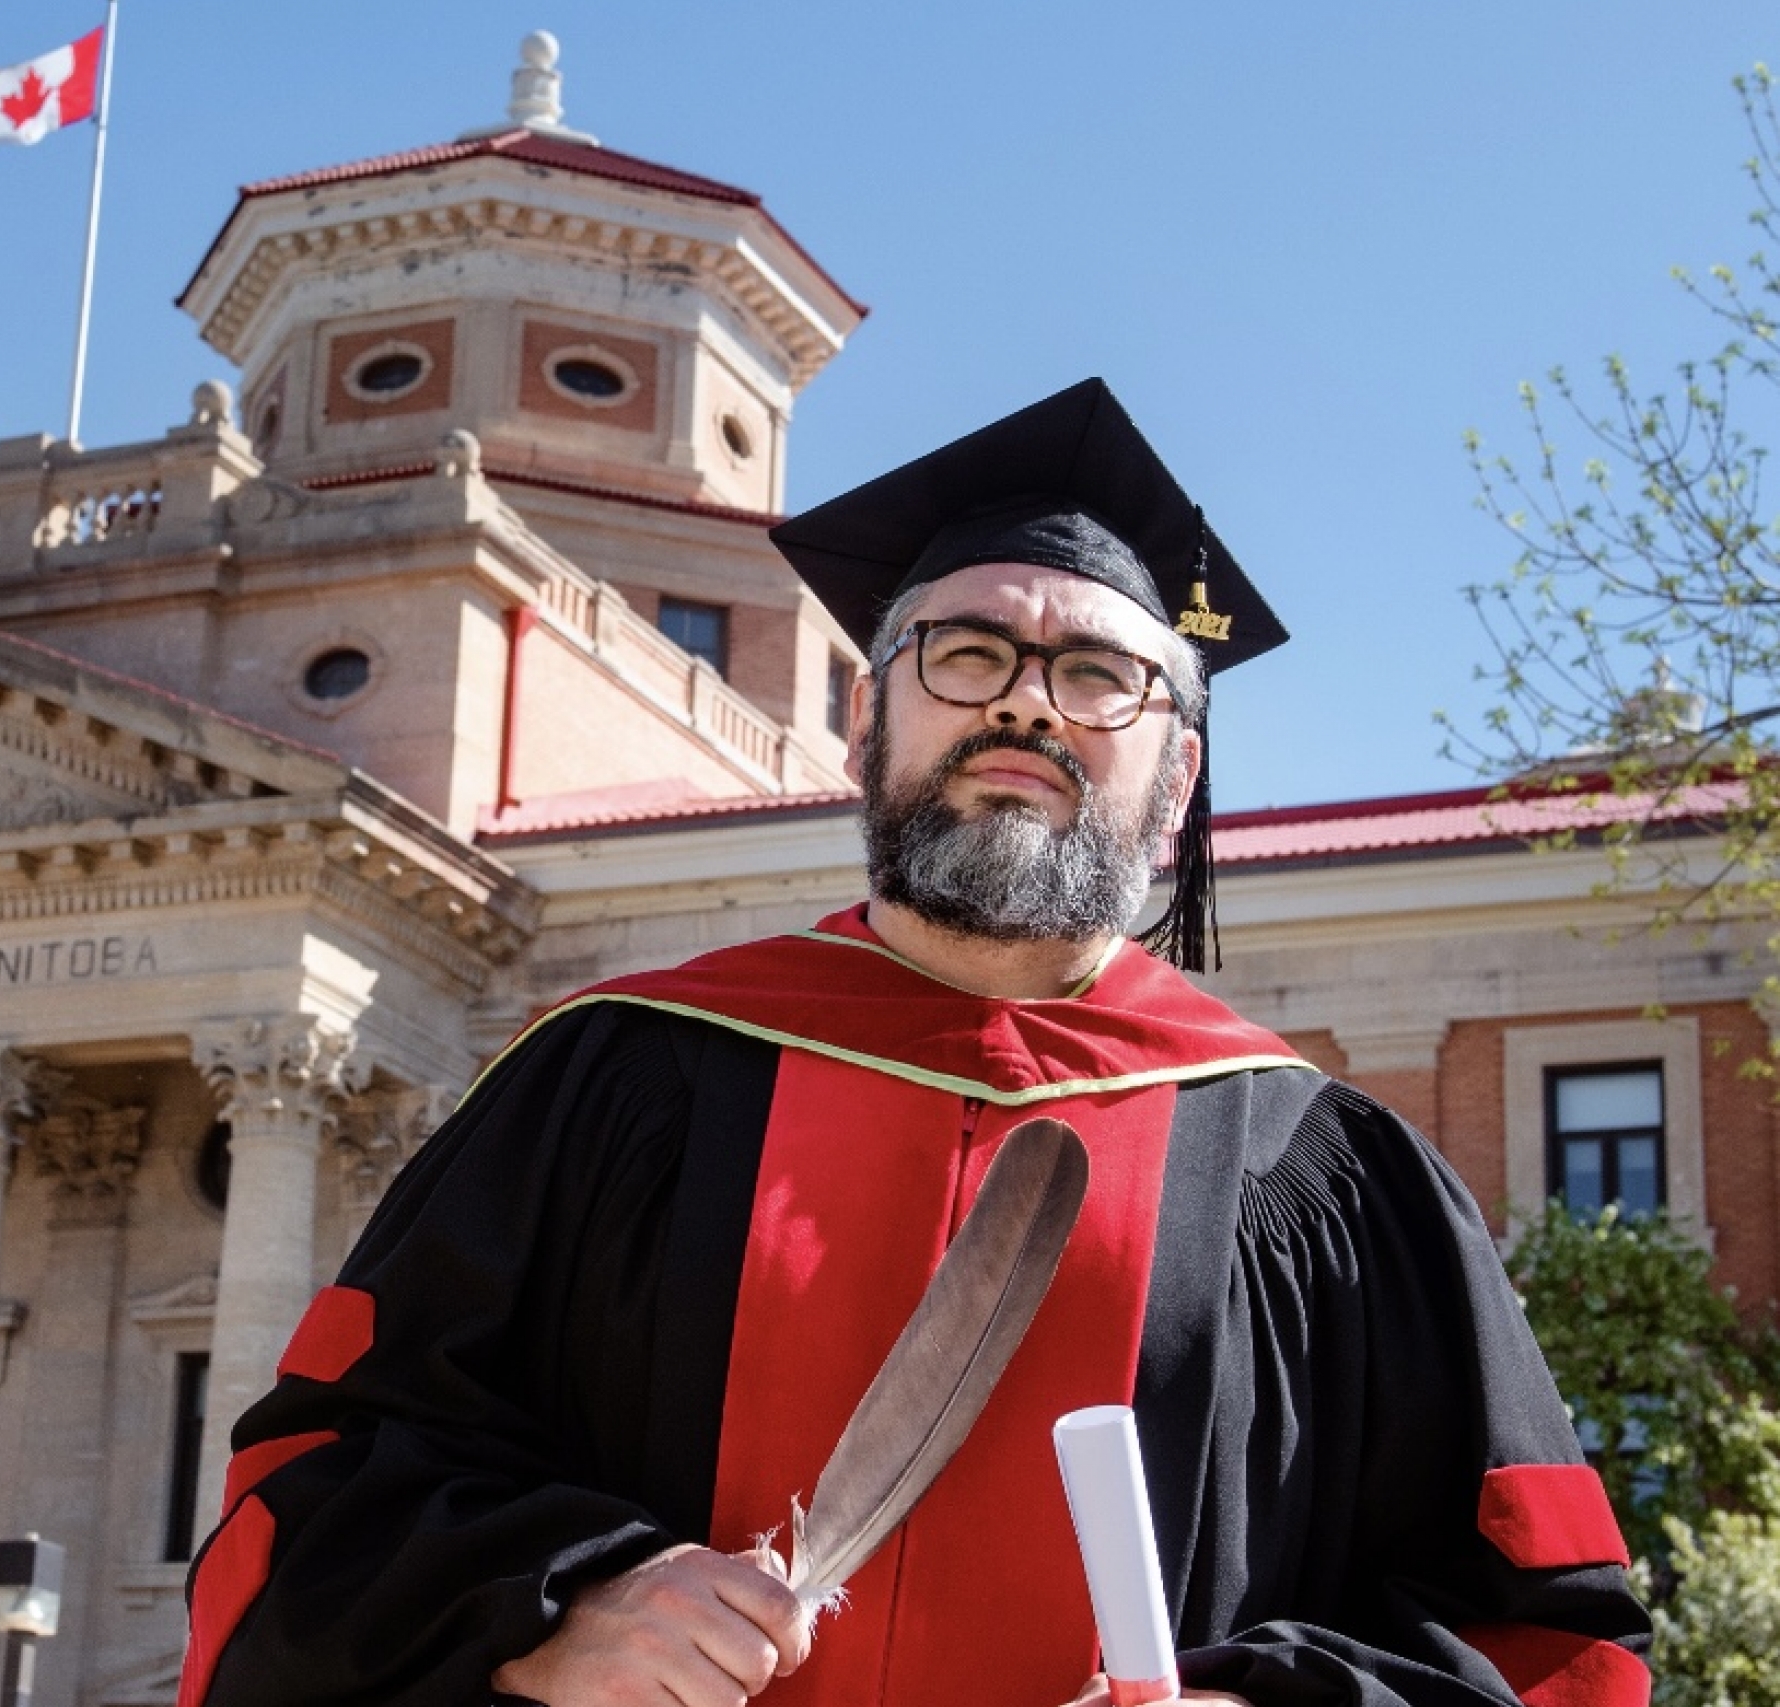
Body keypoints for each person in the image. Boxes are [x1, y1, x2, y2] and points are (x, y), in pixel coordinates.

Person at [176, 380, 1652, 1707]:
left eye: (1098, 675)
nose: (1025, 696)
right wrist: (550, 1610)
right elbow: (306, 1499)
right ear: (865, 717)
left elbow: (1549, 1642)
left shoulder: (1324, 1171)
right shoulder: (610, 1079)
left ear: (1181, 769)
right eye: (967, 651)